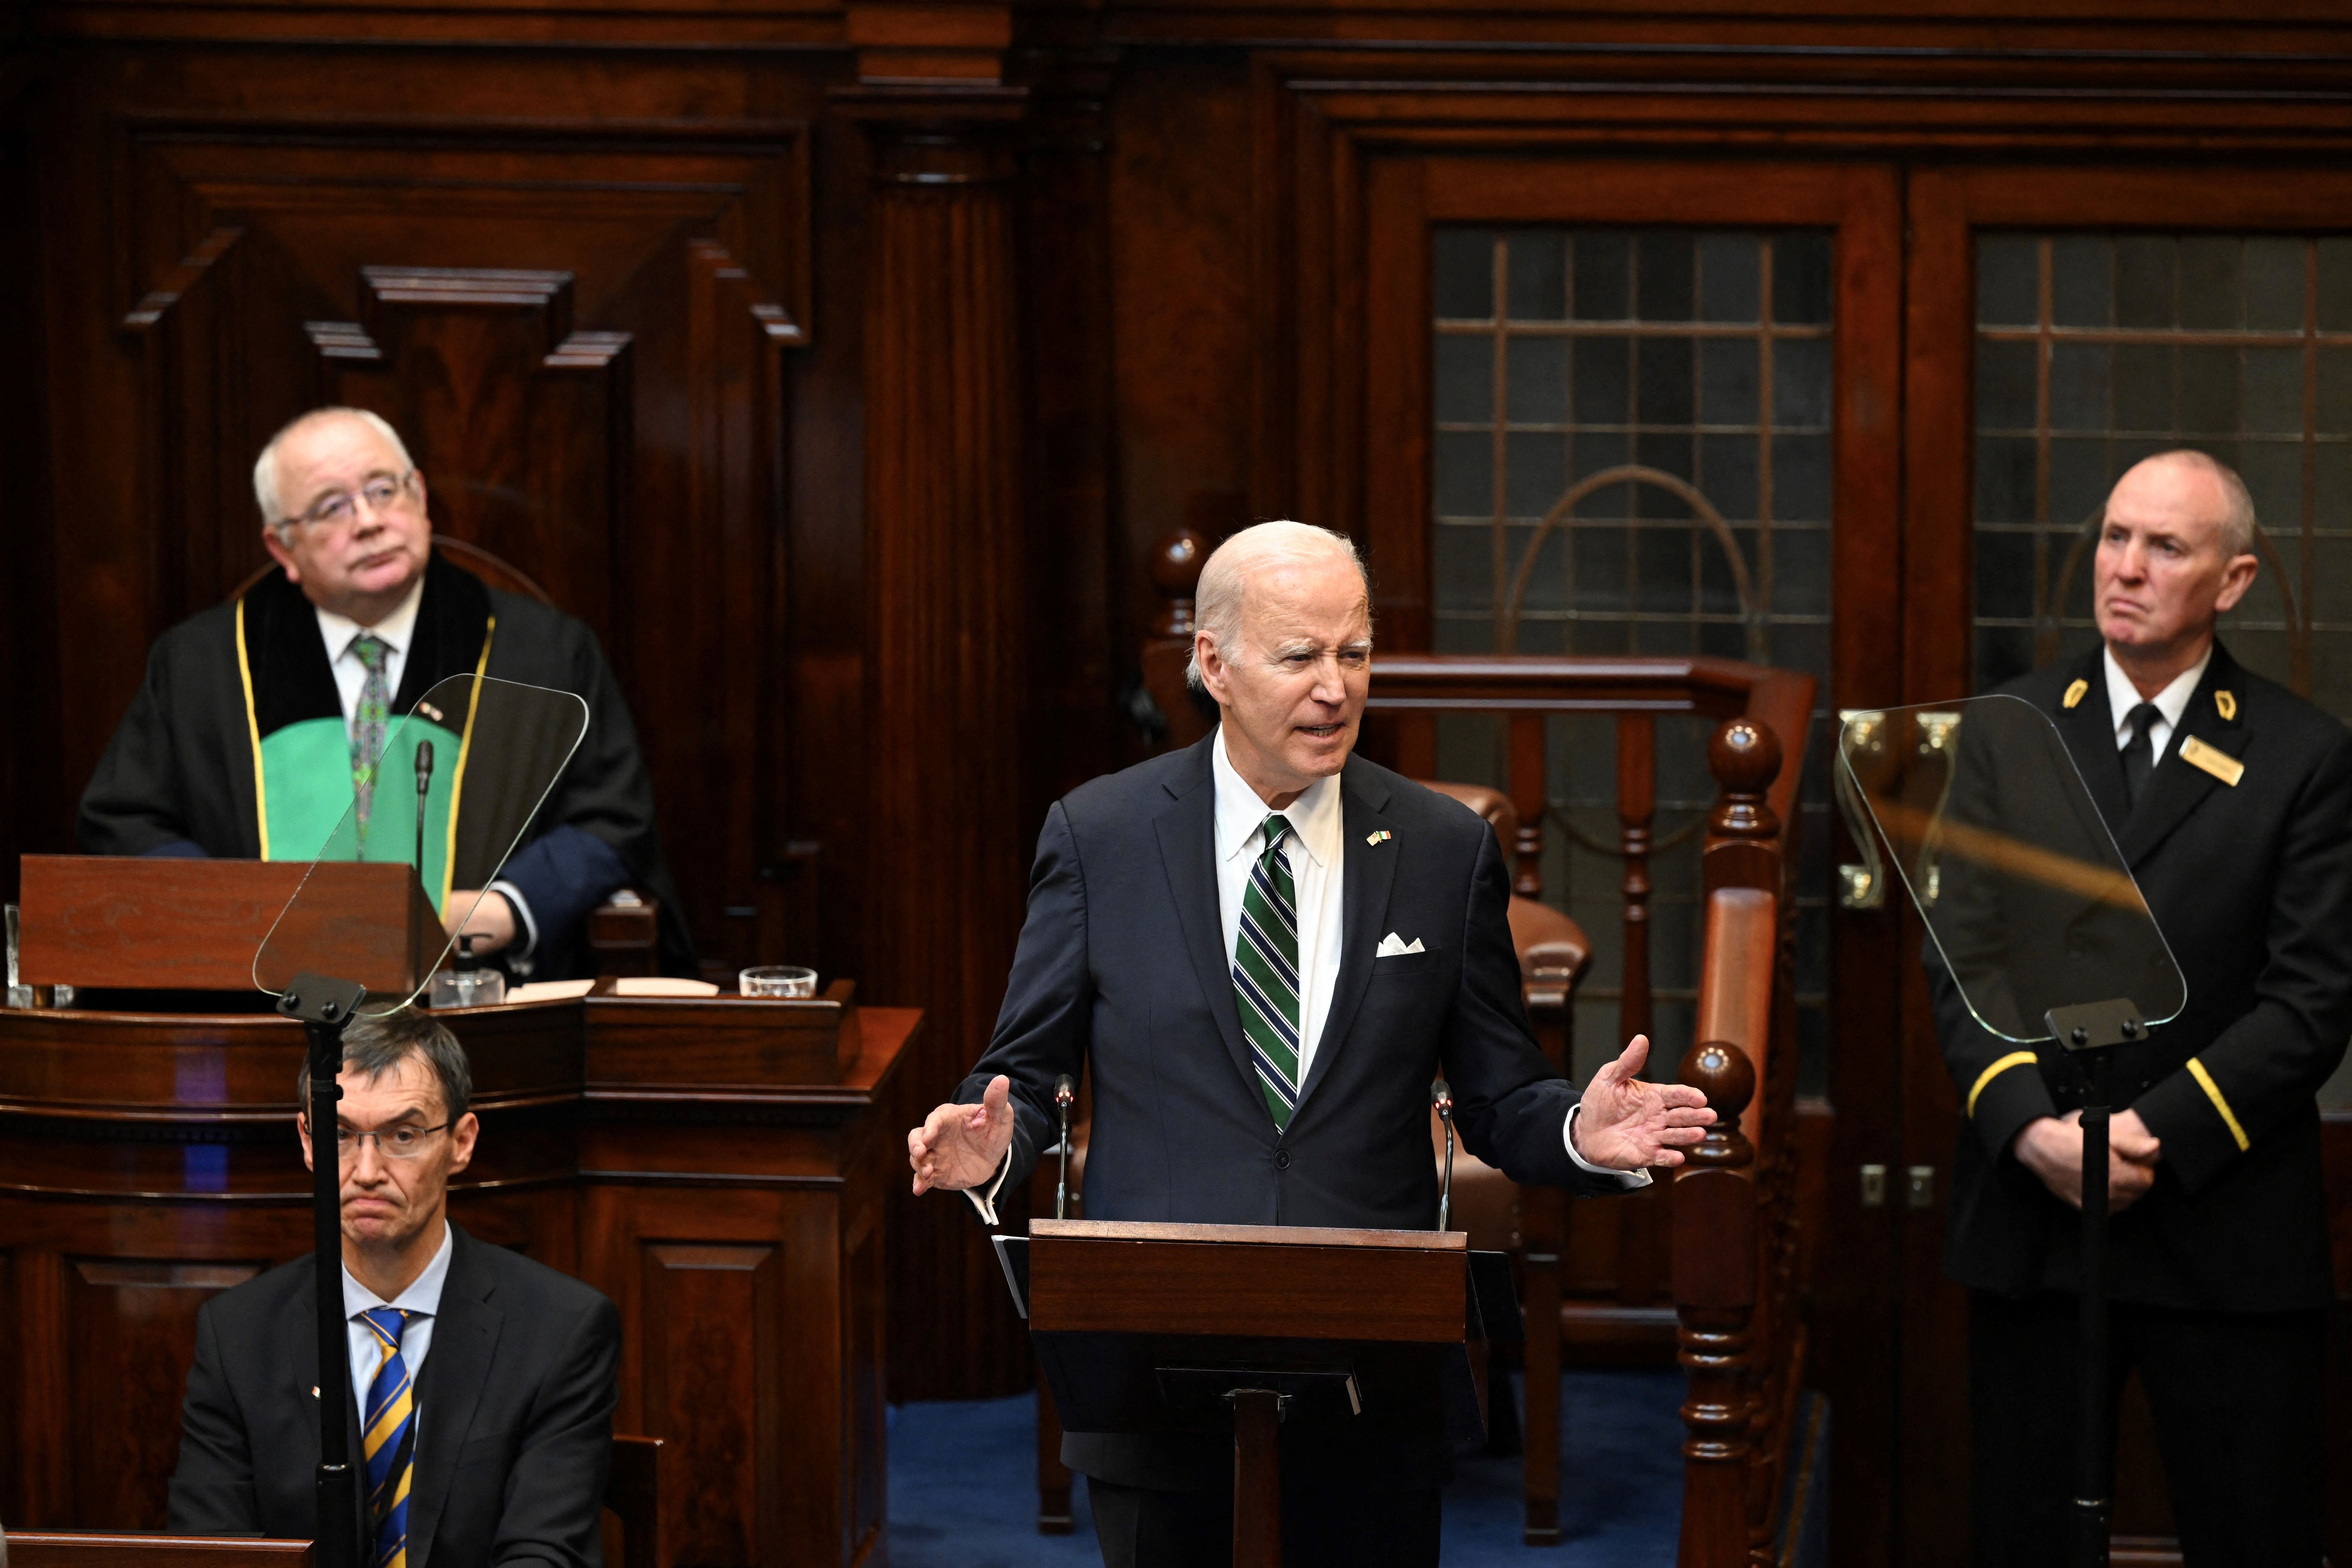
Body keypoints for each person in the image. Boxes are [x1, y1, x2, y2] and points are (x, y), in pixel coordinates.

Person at [905, 520, 1714, 1568]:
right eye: (1300, 656)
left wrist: (1574, 1131)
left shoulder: (1440, 849)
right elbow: (1024, 1076)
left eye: (1356, 652)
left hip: (1370, 1369)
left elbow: (1499, 1093)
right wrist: (990, 1149)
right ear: (1214, 664)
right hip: (1155, 1357)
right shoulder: (1100, 837)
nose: (1336, 688)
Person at [1933, 450, 2352, 1567]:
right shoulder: (2012, 728)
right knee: (2021, 1537)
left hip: (2221, 1217)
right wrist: (2029, 1126)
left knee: (2251, 1533)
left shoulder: (2306, 758)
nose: (2126, 567)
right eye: (2116, 538)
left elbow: (2311, 1000)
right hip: (2034, 1211)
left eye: (2165, 547)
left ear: (2235, 581)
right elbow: (1961, 956)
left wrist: (2150, 1132)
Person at [78, 406, 693, 978]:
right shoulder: (202, 664)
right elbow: (127, 820)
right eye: (331, 508)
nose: (370, 522)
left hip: (478, 999)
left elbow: (613, 816)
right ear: (282, 547)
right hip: (262, 1006)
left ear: (421, 498)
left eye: (383, 490)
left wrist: (503, 907)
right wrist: (244, 916)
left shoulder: (545, 653)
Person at [167, 1009, 620, 1568]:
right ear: (308, 1141)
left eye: (403, 1135)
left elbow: (546, 1555)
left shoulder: (560, 1330)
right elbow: (216, 1553)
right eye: (340, 1135)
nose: (367, 1170)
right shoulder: (237, 1336)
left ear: (461, 1142)